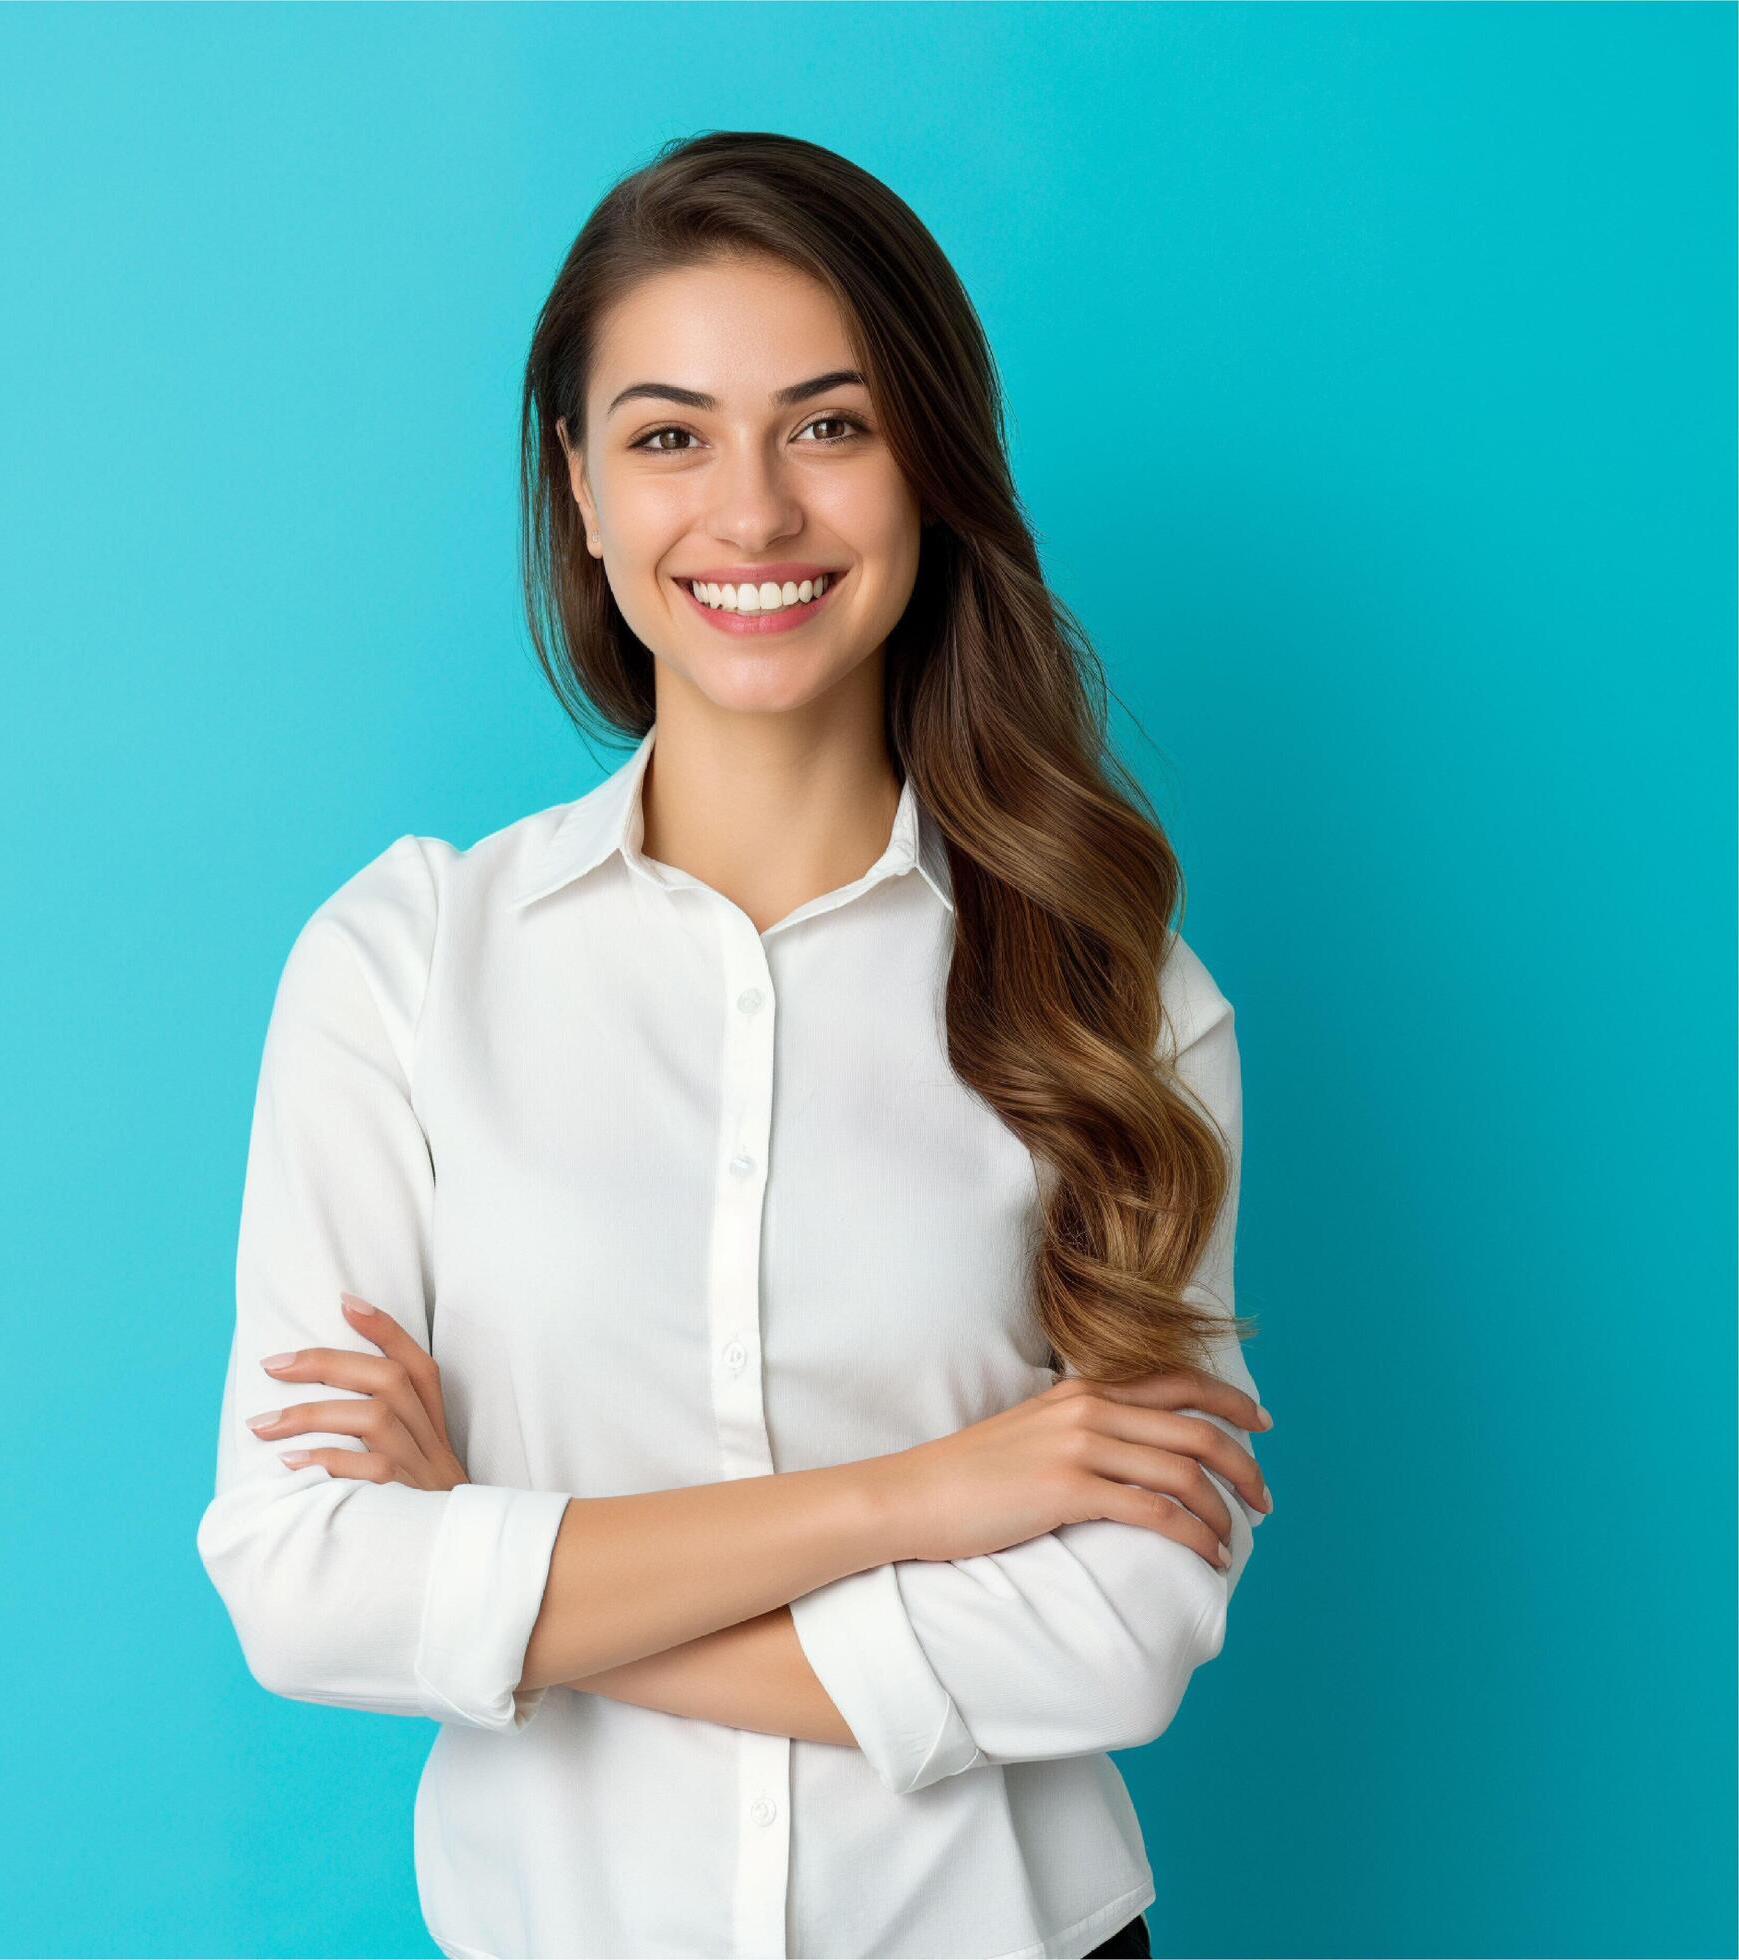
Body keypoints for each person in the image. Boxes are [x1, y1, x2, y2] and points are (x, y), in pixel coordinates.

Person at [193, 131, 1276, 1960]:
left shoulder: (1122, 997)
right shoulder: (402, 966)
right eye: (671, 434)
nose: (754, 514)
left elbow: (1122, 1632)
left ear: (929, 462)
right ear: (583, 490)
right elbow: (305, 1587)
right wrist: (920, 1501)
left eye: (830, 426)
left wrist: (497, 1566)